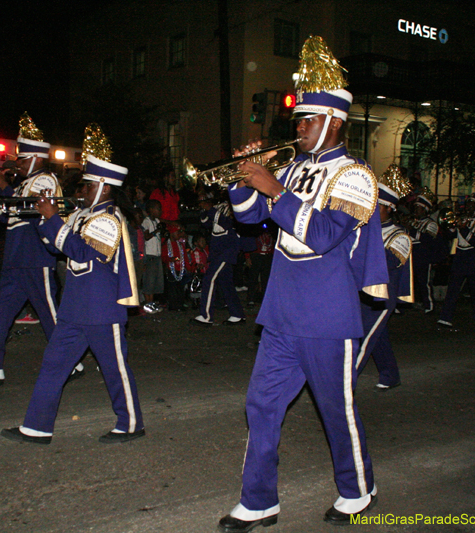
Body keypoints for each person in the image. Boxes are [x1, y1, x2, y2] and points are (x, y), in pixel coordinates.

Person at [218, 36, 388, 532]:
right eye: (297, 120)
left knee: (337, 410)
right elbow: (251, 220)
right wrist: (241, 177)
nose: (297, 127)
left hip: (328, 315)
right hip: (281, 312)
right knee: (262, 405)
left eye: (306, 120)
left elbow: (323, 234)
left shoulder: (357, 176)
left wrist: (273, 187)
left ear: (334, 122)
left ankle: (358, 489)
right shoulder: (291, 167)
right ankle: (258, 500)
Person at [1, 132, 144, 445]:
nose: (84, 190)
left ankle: (131, 423)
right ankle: (36, 427)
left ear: (105, 187)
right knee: (52, 366)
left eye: (90, 185)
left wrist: (54, 220)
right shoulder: (83, 215)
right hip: (75, 310)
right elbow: (59, 249)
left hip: (103, 310)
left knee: (115, 371)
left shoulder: (109, 218)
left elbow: (82, 252)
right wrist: (44, 220)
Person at [0, 114, 64, 385]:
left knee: (51, 315)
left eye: (22, 159)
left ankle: (69, 362)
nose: (17, 164)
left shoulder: (46, 180)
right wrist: (1, 193)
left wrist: (4, 187)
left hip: (35, 258)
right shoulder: (23, 184)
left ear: (37, 159)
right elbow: (8, 218)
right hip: (16, 259)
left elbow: (32, 209)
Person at [356, 165, 413, 390]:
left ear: (389, 208)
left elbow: (388, 263)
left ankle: (343, 385)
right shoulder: (363, 229)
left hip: (381, 297)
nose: (370, 209)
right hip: (359, 292)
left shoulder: (399, 236)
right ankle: (390, 375)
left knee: (361, 341)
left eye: (376, 206)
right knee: (376, 336)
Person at [436, 191, 475, 327]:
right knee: (453, 289)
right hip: (460, 257)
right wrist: (451, 230)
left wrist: (464, 229)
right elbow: (454, 239)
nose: (468, 207)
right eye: (468, 204)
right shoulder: (461, 218)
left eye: (472, 204)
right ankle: (445, 317)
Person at [191, 192, 245, 326]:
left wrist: (210, 209)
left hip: (227, 249)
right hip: (217, 250)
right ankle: (237, 314)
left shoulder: (237, 206)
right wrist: (205, 208)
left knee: (210, 278)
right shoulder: (218, 206)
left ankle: (206, 315)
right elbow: (205, 223)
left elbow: (227, 223)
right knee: (226, 283)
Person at [407, 188, 444, 313]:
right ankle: (411, 303)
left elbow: (426, 239)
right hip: (413, 256)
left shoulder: (431, 224)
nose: (416, 210)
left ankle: (429, 305)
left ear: (425, 209)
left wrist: (413, 229)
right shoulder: (413, 222)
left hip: (424, 258)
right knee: (411, 282)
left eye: (419, 208)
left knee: (424, 283)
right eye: (415, 207)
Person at [141, 199, 164, 314]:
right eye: (158, 209)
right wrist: (156, 231)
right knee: (148, 280)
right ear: (151, 210)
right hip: (150, 255)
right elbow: (146, 236)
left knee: (155, 281)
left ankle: (151, 304)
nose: (160, 211)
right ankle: (147, 304)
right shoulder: (146, 221)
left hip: (157, 254)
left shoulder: (157, 221)